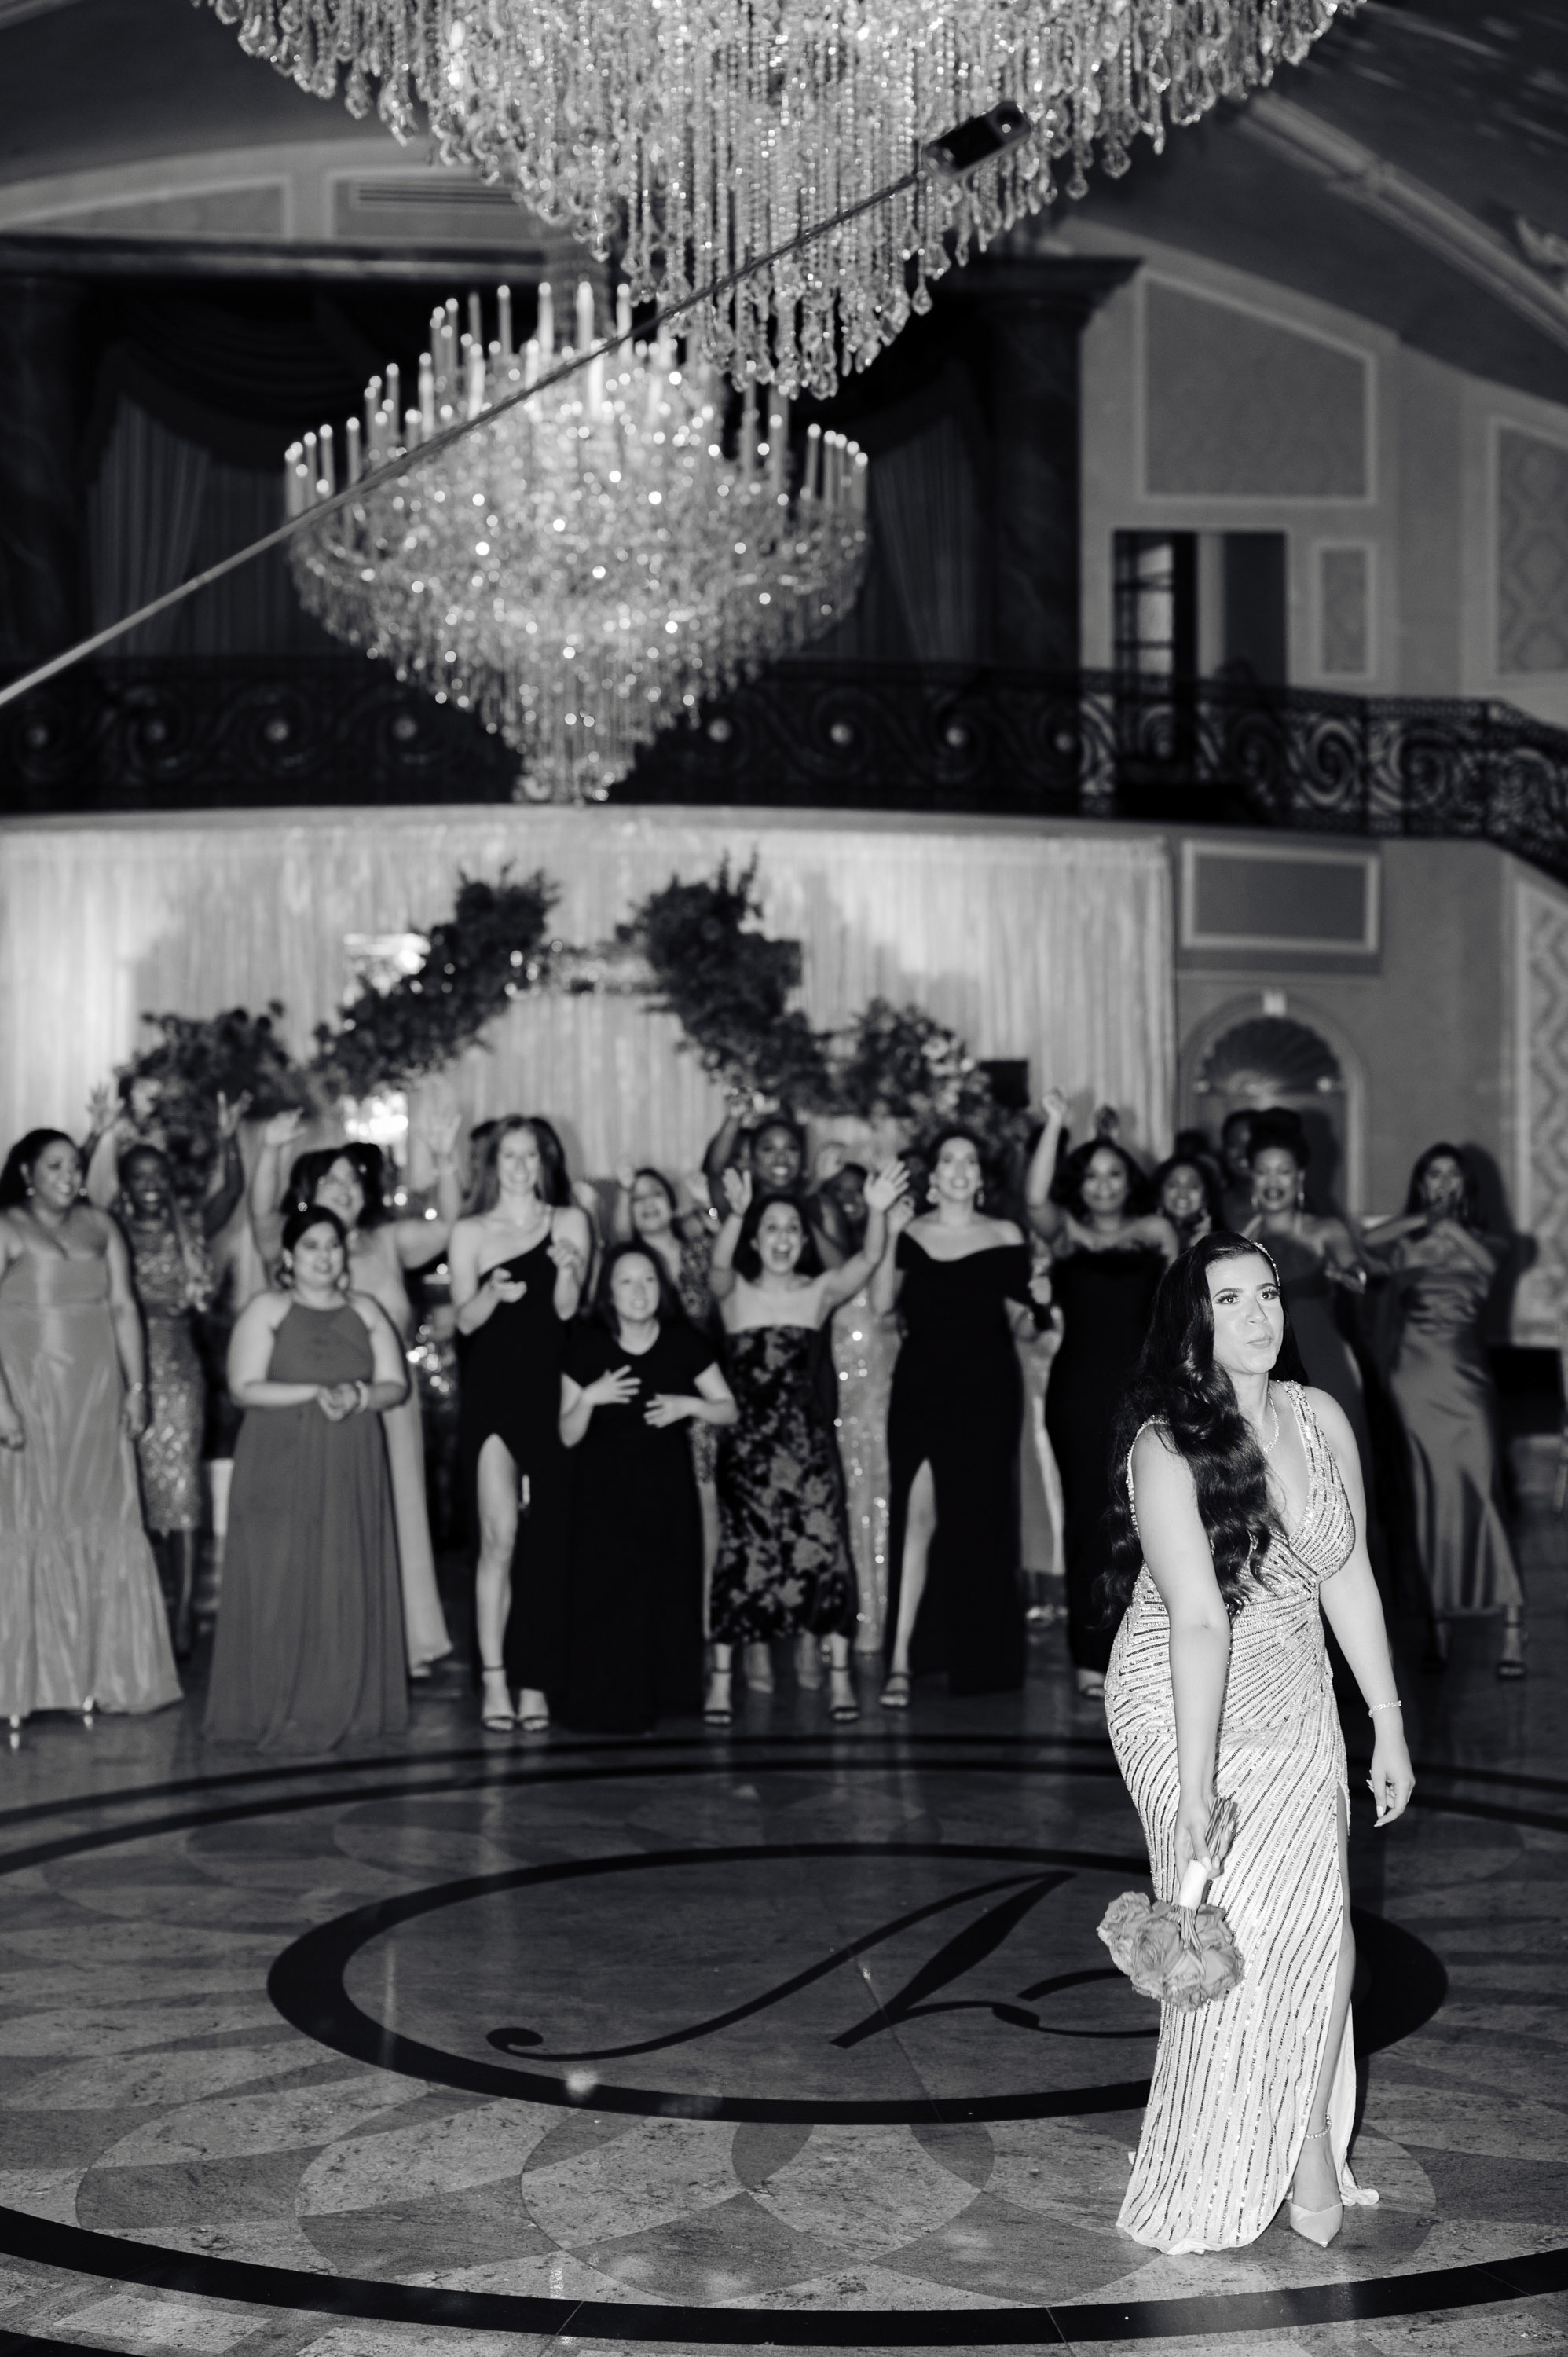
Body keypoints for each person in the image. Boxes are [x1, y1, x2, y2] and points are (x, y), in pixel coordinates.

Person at [1104, 1233, 1414, 2253]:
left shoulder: (1319, 1416)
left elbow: (1348, 1574)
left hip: (1293, 1685)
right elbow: (1196, 1621)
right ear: (1195, 1323)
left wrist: (1389, 1723)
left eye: (1268, 1293)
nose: (1259, 1314)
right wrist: (1194, 1789)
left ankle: (1306, 2149)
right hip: (1180, 1696)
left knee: (1321, 1921)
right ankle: (1277, 2159)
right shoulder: (1164, 1445)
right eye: (1230, 1298)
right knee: (1242, 1930)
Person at [249, 1113, 463, 1680]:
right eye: (331, 1181)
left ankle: (404, 1639)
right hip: (313, 1404)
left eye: (353, 1180)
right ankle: (327, 1636)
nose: (346, 1189)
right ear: (307, 1193)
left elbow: (451, 1228)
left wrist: (444, 1162)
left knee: (399, 1510)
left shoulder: (388, 1240)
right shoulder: (294, 1244)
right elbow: (259, 1216)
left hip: (389, 1400)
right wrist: (269, 1150)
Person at [706, 1161, 907, 1728]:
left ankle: (840, 1675)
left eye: (792, 1228)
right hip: (747, 1455)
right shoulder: (734, 1294)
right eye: (771, 1228)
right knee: (741, 1563)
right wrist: (738, 1209)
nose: (783, 1238)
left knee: (824, 1558)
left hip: (808, 1448)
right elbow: (718, 1265)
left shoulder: (818, 1292)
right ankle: (721, 1683)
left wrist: (875, 1210)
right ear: (755, 1238)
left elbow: (867, 1264)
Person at [204, 1205, 409, 1750]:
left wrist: (360, 1395)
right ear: (290, 1257)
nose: (325, 1256)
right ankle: (273, 1702)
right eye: (312, 1246)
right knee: (278, 1579)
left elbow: (396, 1385)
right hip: (279, 1459)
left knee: (344, 1575)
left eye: (333, 1246)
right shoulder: (267, 1309)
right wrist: (318, 1393)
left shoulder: (366, 1310)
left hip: (350, 1460)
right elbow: (243, 1387)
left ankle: (343, 1699)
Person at [0, 1131, 180, 1729]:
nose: (70, 1175)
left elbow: (125, 1306)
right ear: (27, 1172)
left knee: (101, 1516)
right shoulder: (7, 1226)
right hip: (30, 1394)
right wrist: (1, 1404)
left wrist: (137, 1388)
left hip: (96, 1395)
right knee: (31, 1518)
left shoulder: (102, 1225)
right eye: (55, 1165)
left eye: (76, 1165)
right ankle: (26, 1680)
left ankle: (102, 1674)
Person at [875, 1129, 1050, 1704]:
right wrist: (886, 1227)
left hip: (987, 1392)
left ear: (979, 1177)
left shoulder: (1004, 1236)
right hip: (922, 1389)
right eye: (947, 1159)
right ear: (934, 1175)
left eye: (968, 1160)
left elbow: (1022, 1322)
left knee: (981, 1520)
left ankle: (982, 1661)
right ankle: (900, 1658)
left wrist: (1042, 1305)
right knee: (917, 1516)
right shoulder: (909, 1231)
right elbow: (880, 1306)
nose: (958, 1168)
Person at [1027, 1094, 1178, 1697]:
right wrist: (1057, 1125)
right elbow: (1035, 1200)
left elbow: (1177, 1318)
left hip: (1147, 1392)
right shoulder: (1066, 1235)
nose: (1104, 1185)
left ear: (1130, 1180)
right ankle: (1091, 1653)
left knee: (1151, 1519)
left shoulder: (1157, 1231)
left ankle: (1148, 1649)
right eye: (1091, 1175)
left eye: (1114, 1173)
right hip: (1079, 1392)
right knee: (1088, 1520)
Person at [558, 1243, 737, 1732]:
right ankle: (608, 1696)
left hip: (664, 1486)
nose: (639, 1292)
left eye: (649, 1281)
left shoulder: (685, 1343)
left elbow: (728, 1408)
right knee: (607, 1594)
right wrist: (590, 1398)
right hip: (603, 1490)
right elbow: (567, 1434)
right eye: (627, 1282)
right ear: (609, 1294)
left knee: (664, 1588)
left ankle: (668, 1694)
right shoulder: (588, 1346)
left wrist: (688, 1406)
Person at [449, 1116, 591, 1733]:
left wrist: (565, 1271)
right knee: (500, 1535)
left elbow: (569, 1311)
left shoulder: (569, 1222)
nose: (519, 1166)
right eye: (509, 1156)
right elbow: (464, 1320)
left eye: (530, 1156)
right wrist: (492, 1295)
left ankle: (537, 1678)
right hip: (493, 1395)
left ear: (544, 1162)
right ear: (492, 1164)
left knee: (551, 1540)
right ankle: (495, 1679)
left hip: (551, 1392)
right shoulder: (469, 1231)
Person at [1365, 1144, 1526, 1676]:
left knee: (1481, 1490)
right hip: (1410, 1381)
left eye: (1452, 1176)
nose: (1442, 1182)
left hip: (1466, 1384)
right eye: (1433, 1174)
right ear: (1423, 1182)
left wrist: (1446, 1224)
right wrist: (1418, 1220)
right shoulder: (1405, 1245)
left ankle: (1511, 1626)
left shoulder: (1492, 1241)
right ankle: (1438, 1624)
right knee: (1426, 1497)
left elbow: (1485, 1264)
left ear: (1465, 1186)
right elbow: (1366, 1243)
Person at [116, 1122, 245, 1659]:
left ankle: (186, 1610)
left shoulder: (188, 1226)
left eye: (157, 1175)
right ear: (124, 1184)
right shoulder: (109, 1230)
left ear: (169, 1181)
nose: (149, 1184)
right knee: (132, 1493)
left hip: (176, 1364)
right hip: (118, 1367)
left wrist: (230, 1139)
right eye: (139, 1175)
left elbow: (230, 1193)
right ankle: (143, 1607)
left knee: (181, 1492)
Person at [1241, 1112, 1376, 1488]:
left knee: (1337, 1474)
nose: (1273, 1181)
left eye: (1283, 1171)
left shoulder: (1325, 1231)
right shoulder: (1239, 1241)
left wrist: (1350, 1275)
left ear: (1299, 1177)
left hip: (1324, 1363)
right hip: (1263, 1368)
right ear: (1251, 1179)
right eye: (1263, 1171)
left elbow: (1358, 1275)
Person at [611, 1164, 722, 1585]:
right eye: (637, 1199)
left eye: (655, 1193)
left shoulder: (700, 1251)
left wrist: (708, 1207)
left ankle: (706, 1611)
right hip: (644, 1393)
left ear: (673, 1202)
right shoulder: (625, 1263)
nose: (648, 1204)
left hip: (700, 1390)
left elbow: (734, 1254)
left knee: (706, 1504)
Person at [813, 1147, 902, 1657]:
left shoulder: (889, 1241)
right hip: (840, 1394)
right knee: (848, 1499)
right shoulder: (826, 1258)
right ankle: (851, 1616)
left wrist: (886, 1224)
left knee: (884, 1497)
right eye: (839, 1194)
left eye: (858, 1192)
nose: (849, 1202)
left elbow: (889, 1296)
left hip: (885, 1387)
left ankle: (885, 1618)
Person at [1152, 1148, 1224, 1252]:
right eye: (1173, 1185)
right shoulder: (1142, 1239)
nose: (1182, 1194)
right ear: (1160, 1195)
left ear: (1206, 1197)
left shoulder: (1222, 1244)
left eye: (1193, 1186)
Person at [1218, 1109, 1258, 1232]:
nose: (1243, 1153)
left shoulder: (1293, 1204)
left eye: (1251, 1145)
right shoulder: (1212, 1202)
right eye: (1233, 1145)